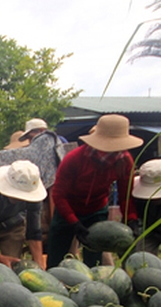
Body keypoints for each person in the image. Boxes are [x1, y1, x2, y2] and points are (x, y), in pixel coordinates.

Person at [48, 114, 142, 268]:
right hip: (67, 210)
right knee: (55, 260)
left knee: (95, 261)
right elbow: (58, 195)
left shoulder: (124, 161)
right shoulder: (74, 159)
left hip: (96, 210)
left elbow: (125, 197)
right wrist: (74, 222)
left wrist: (131, 219)